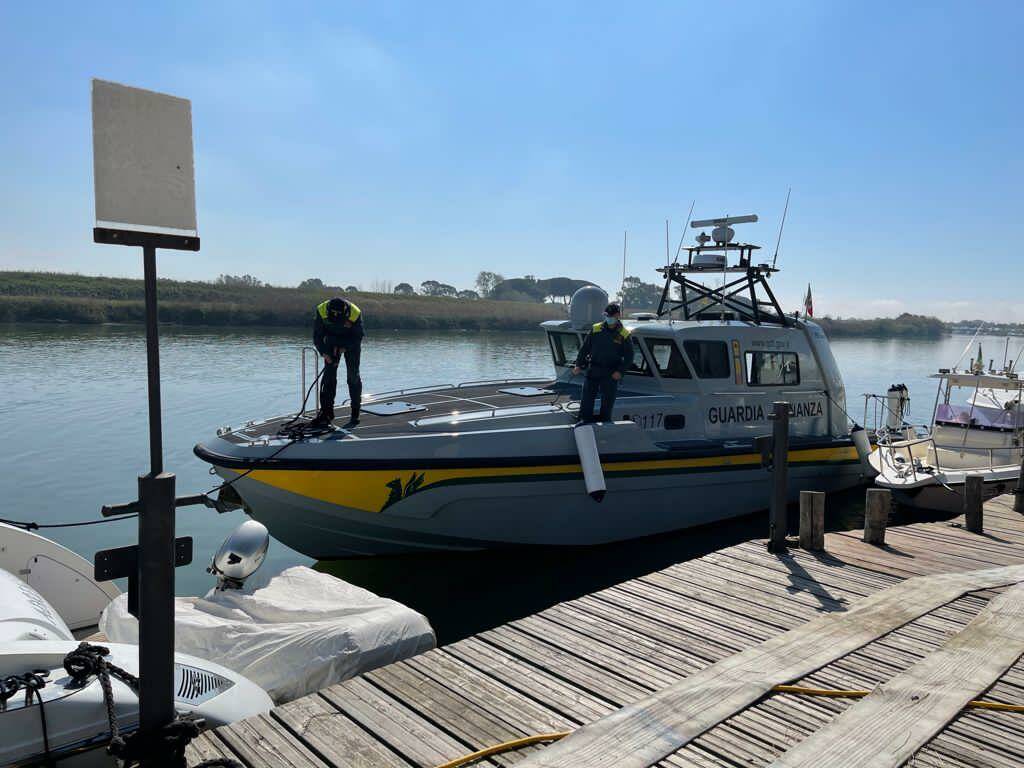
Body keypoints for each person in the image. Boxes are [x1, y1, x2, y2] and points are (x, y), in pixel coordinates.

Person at [572, 303, 633, 423]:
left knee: (607, 401)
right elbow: (585, 349)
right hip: (593, 370)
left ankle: (605, 423)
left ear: (618, 316)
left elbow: (629, 357)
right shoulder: (596, 329)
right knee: (587, 399)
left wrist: (620, 372)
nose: (609, 318)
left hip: (611, 373)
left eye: (611, 316)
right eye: (607, 315)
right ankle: (584, 421)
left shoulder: (624, 334)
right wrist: (578, 365)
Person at [310, 297, 364, 428]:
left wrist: (344, 348)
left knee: (353, 377)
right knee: (328, 378)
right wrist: (324, 353)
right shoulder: (321, 310)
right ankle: (327, 413)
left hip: (351, 343)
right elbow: (317, 336)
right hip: (330, 342)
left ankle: (355, 413)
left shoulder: (355, 312)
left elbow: (358, 336)